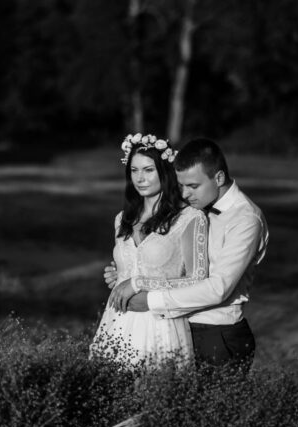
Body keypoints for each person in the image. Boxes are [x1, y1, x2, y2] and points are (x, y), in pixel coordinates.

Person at [107, 137, 269, 369]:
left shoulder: (245, 219)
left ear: (219, 178)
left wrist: (148, 297)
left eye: (193, 186)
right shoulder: (194, 208)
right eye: (181, 185)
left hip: (216, 333)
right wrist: (128, 270)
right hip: (176, 326)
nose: (185, 194)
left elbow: (218, 288)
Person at [89, 133, 209, 367]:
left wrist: (138, 283)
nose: (140, 178)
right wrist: (117, 275)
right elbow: (133, 265)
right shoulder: (122, 219)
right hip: (116, 321)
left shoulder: (190, 218)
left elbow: (198, 279)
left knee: (154, 386)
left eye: (148, 170)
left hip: (159, 323)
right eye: (134, 170)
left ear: (165, 171)